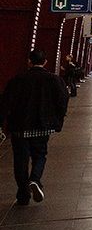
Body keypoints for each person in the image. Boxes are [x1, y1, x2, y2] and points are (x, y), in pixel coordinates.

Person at [0, 49, 69, 206]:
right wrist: (58, 121)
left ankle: (23, 195)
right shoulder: (54, 80)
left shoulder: (18, 80)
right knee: (40, 155)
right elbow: (63, 101)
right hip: (43, 126)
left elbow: (5, 103)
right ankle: (35, 179)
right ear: (45, 62)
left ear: (29, 62)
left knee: (20, 161)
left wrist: (1, 123)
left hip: (20, 128)